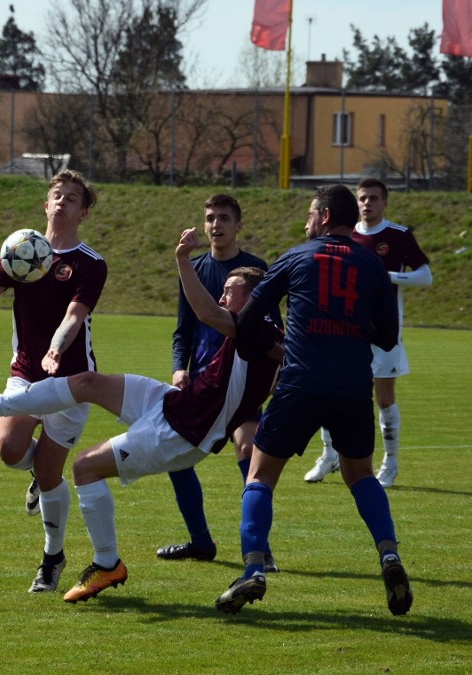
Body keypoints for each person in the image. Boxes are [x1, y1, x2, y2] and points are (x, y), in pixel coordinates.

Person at [0, 235, 283, 603]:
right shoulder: (268, 336)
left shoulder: (255, 329)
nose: (222, 298)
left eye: (230, 291)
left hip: (182, 432)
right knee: (86, 381)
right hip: (174, 402)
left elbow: (205, 312)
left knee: (84, 467)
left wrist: (182, 257)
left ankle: (107, 564)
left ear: (252, 298)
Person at [215, 184, 412, 617]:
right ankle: (389, 556)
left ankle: (252, 570)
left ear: (323, 216)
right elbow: (389, 336)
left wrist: (271, 348)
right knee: (360, 476)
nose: (306, 222)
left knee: (259, 476)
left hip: (300, 383)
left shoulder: (296, 256)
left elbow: (248, 319)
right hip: (352, 387)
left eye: (309, 214)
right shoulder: (373, 264)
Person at [0, 170, 106, 594]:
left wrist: (56, 347)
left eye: (72, 198)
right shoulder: (21, 249)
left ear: (83, 211)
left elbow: (74, 316)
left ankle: (52, 556)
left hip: (71, 380)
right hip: (27, 371)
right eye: (57, 195)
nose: (63, 202)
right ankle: (35, 474)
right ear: (46, 204)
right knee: (10, 450)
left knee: (52, 475)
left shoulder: (90, 263)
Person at [158, 194, 280, 573]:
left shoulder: (256, 270)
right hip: (202, 385)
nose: (215, 224)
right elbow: (184, 330)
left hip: (242, 382)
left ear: (238, 225)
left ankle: (260, 549)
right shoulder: (193, 269)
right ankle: (200, 541)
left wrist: (277, 375)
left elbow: (272, 331)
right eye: (210, 217)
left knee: (247, 449)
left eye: (224, 217)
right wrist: (180, 368)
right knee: (175, 458)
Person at [304, 178, 432, 488]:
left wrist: (387, 275)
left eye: (373, 198)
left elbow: (425, 277)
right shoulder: (345, 235)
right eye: (362, 198)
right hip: (345, 331)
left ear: (384, 202)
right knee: (330, 390)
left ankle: (390, 462)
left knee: (384, 398)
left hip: (384, 333)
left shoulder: (398, 236)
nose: (367, 203)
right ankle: (329, 454)